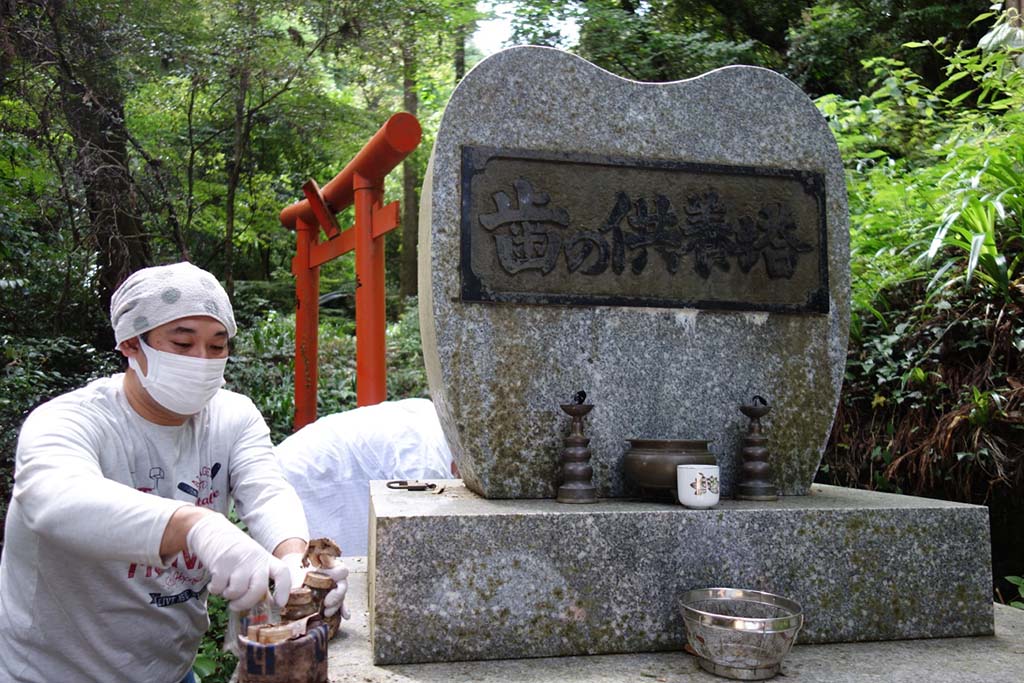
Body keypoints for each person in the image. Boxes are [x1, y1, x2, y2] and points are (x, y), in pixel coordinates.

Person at [0, 262, 348, 683]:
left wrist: (294, 562)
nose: (202, 361)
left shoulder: (232, 417)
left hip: (170, 669)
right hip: (54, 673)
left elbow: (267, 491)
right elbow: (52, 500)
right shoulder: (69, 421)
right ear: (131, 344)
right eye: (183, 344)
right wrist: (196, 525)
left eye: (217, 347)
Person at [275, 398, 455, 556]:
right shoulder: (430, 460)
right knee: (310, 567)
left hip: (314, 463)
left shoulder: (431, 415)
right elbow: (423, 530)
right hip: (311, 474)